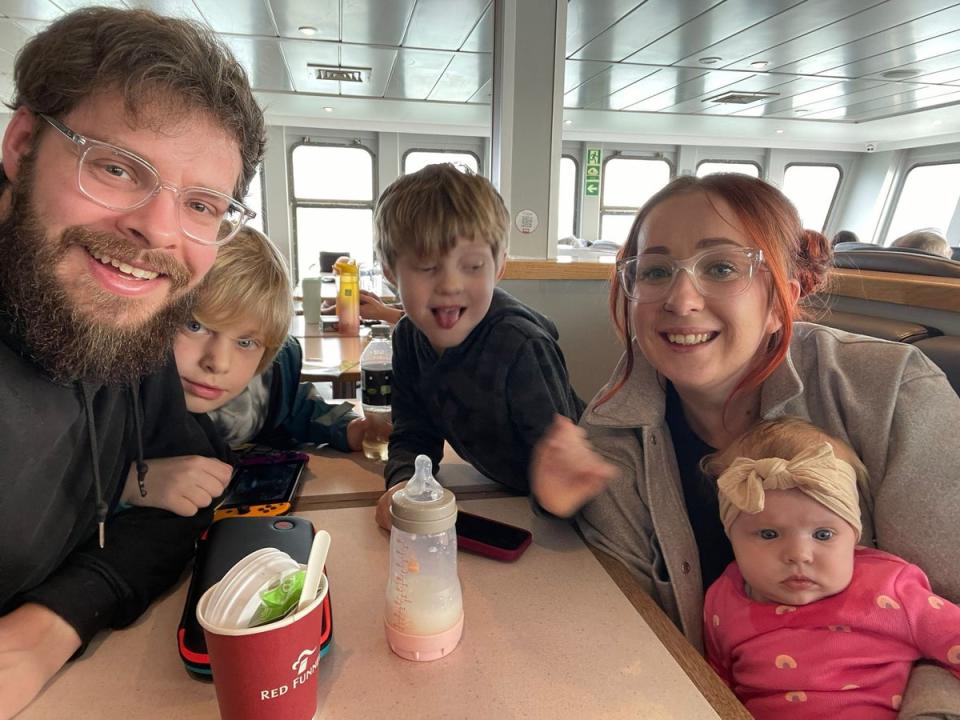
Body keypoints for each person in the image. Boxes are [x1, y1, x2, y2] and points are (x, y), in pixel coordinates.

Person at [530, 173, 960, 712]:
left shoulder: (892, 391)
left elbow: (949, 614)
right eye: (657, 271)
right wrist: (555, 512)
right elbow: (637, 628)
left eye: (722, 267)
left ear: (785, 297)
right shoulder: (611, 436)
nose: (681, 299)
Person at [0, 8, 265, 717]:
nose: (157, 229)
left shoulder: (130, 317)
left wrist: (52, 621)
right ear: (23, 143)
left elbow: (181, 508)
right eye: (116, 167)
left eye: (202, 205)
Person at [702, 417, 960, 720]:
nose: (799, 555)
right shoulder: (722, 600)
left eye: (823, 535)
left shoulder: (889, 587)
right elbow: (710, 686)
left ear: (854, 535)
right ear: (731, 535)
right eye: (769, 534)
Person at [373, 163, 584, 528]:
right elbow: (414, 432)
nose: (450, 285)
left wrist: (555, 500)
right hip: (504, 498)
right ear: (391, 272)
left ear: (499, 266)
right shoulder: (408, 337)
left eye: (472, 265)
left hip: (565, 517)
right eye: (426, 266)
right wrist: (404, 485)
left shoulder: (521, 346)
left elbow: (565, 470)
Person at [118, 226, 368, 516]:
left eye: (246, 342)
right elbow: (64, 481)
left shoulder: (267, 379)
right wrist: (129, 484)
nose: (218, 362)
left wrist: (349, 427)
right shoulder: (116, 398)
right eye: (195, 326)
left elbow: (296, 407)